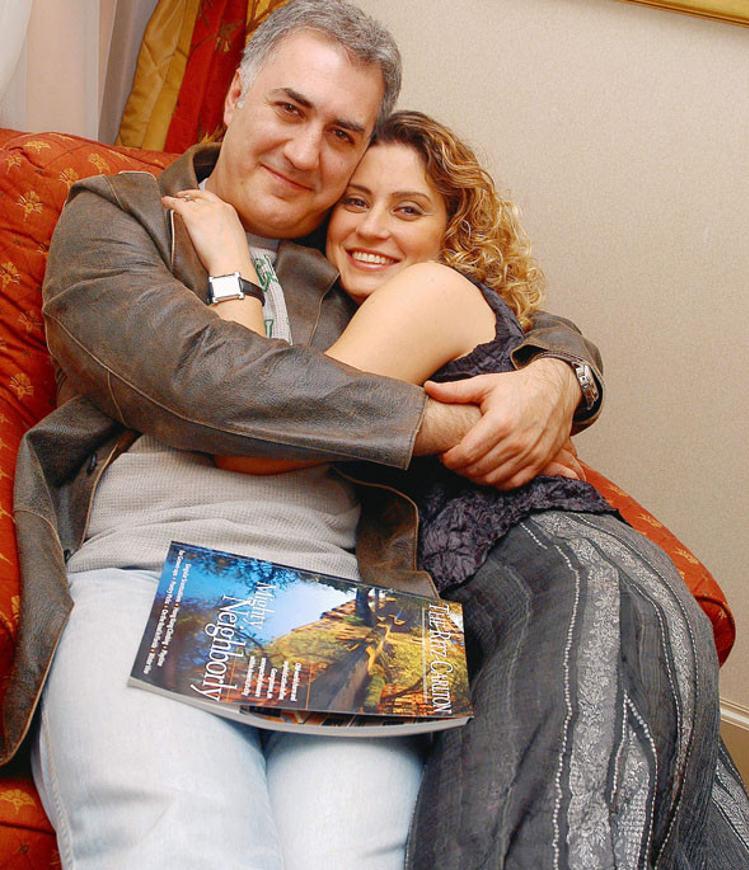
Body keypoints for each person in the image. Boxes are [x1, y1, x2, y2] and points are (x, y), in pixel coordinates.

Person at [11, 2, 606, 868]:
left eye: (341, 135)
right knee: (185, 850)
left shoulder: (362, 245)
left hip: (347, 609)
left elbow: (516, 313)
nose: (304, 153)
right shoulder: (122, 216)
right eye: (289, 109)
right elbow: (217, 388)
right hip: (152, 574)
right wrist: (450, 424)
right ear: (235, 96)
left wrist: (561, 375)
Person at [167, 108, 749, 868]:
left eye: (408, 209)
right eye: (355, 201)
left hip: (570, 580)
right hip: (469, 620)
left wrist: (231, 270)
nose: (374, 227)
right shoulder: (359, 315)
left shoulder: (429, 291)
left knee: (523, 843)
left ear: (453, 230)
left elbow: (255, 434)